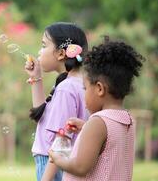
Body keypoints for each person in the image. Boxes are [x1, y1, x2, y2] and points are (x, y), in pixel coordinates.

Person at [48, 40, 144, 181]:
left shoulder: (98, 122)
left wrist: (58, 158)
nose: (84, 94)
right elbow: (110, 143)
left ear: (99, 89)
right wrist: (85, 127)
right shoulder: (128, 119)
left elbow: (80, 167)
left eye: (85, 88)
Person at [24, 22, 89, 181]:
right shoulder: (79, 83)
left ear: (61, 54)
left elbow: (60, 140)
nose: (39, 51)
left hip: (52, 163)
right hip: (64, 163)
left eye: (43, 45)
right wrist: (36, 78)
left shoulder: (66, 89)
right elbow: (43, 116)